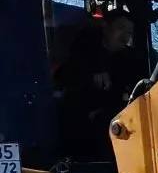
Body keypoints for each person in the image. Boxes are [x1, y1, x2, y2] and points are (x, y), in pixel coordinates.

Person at [56, 9, 147, 159]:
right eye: (121, 28)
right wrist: (90, 76)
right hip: (82, 134)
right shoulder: (81, 54)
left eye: (129, 32)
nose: (125, 36)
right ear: (105, 26)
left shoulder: (132, 60)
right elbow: (64, 81)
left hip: (121, 127)